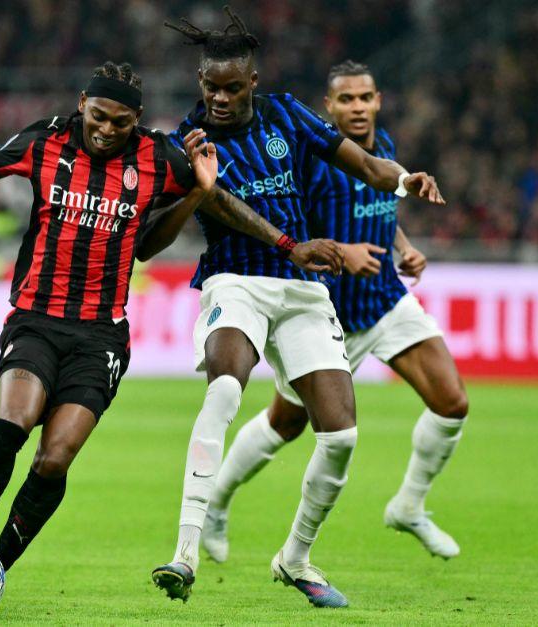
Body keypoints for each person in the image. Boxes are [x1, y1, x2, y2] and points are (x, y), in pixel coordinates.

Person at [0, 61, 290, 614]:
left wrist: (227, 210)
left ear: (137, 120)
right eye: (100, 117)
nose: (108, 130)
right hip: (35, 319)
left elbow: (150, 244)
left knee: (54, 461)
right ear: (83, 103)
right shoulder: (47, 140)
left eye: (122, 122)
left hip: (101, 337)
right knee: (13, 424)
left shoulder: (160, 158)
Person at [147, 9, 445, 608]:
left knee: (340, 436)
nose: (220, 99)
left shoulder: (287, 114)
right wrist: (284, 241)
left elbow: (362, 162)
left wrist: (402, 180)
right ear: (200, 84)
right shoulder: (190, 143)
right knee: (226, 390)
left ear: (253, 82)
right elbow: (214, 213)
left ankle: (296, 558)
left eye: (232, 88)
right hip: (236, 280)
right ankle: (184, 550)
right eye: (211, 88)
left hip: (302, 287)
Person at [202, 59, 469, 569]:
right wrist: (341, 250)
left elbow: (379, 209)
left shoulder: (384, 148)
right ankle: (216, 501)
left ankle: (409, 505)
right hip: (327, 312)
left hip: (385, 299)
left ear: (378, 101)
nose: (357, 107)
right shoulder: (308, 154)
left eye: (365, 98)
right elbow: (285, 220)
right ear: (329, 106)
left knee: (452, 402)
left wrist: (403, 246)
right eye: (345, 100)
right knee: (287, 423)